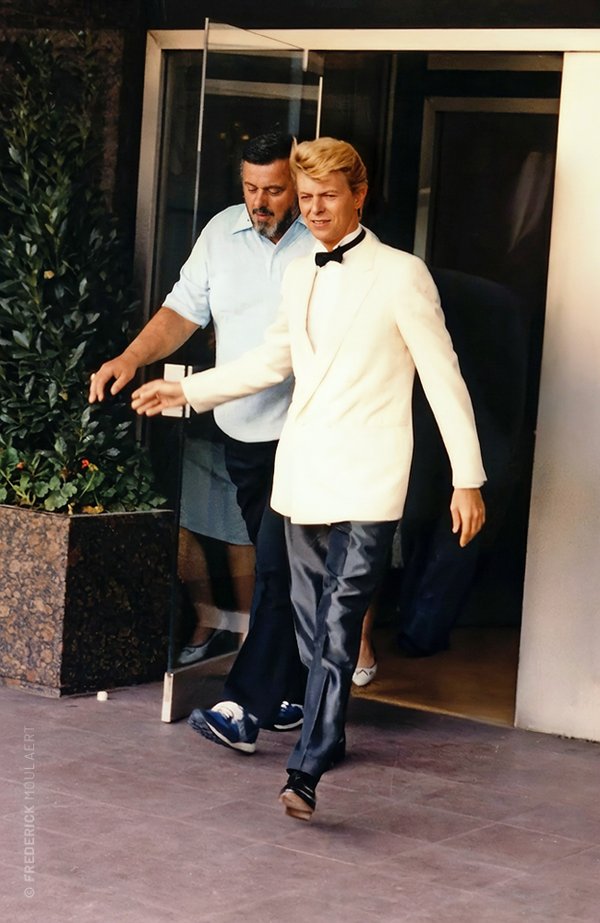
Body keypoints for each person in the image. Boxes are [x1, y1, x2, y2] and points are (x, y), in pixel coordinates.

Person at [130, 137, 487, 821]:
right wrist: (187, 393)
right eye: (309, 196)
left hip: (369, 480)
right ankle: (328, 726)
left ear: (360, 195)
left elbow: (445, 380)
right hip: (300, 479)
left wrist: (466, 478)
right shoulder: (299, 276)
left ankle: (307, 767)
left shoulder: (402, 274)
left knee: (337, 626)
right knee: (307, 629)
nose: (316, 209)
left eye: (329, 196)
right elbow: (268, 363)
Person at [89, 131, 313, 739]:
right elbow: (182, 311)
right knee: (283, 566)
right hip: (242, 428)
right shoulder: (221, 232)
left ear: (297, 185)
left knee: (275, 564)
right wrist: (132, 358)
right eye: (249, 188)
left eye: (272, 189)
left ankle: (244, 703)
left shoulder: (322, 240)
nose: (259, 201)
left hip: (306, 433)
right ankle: (293, 692)